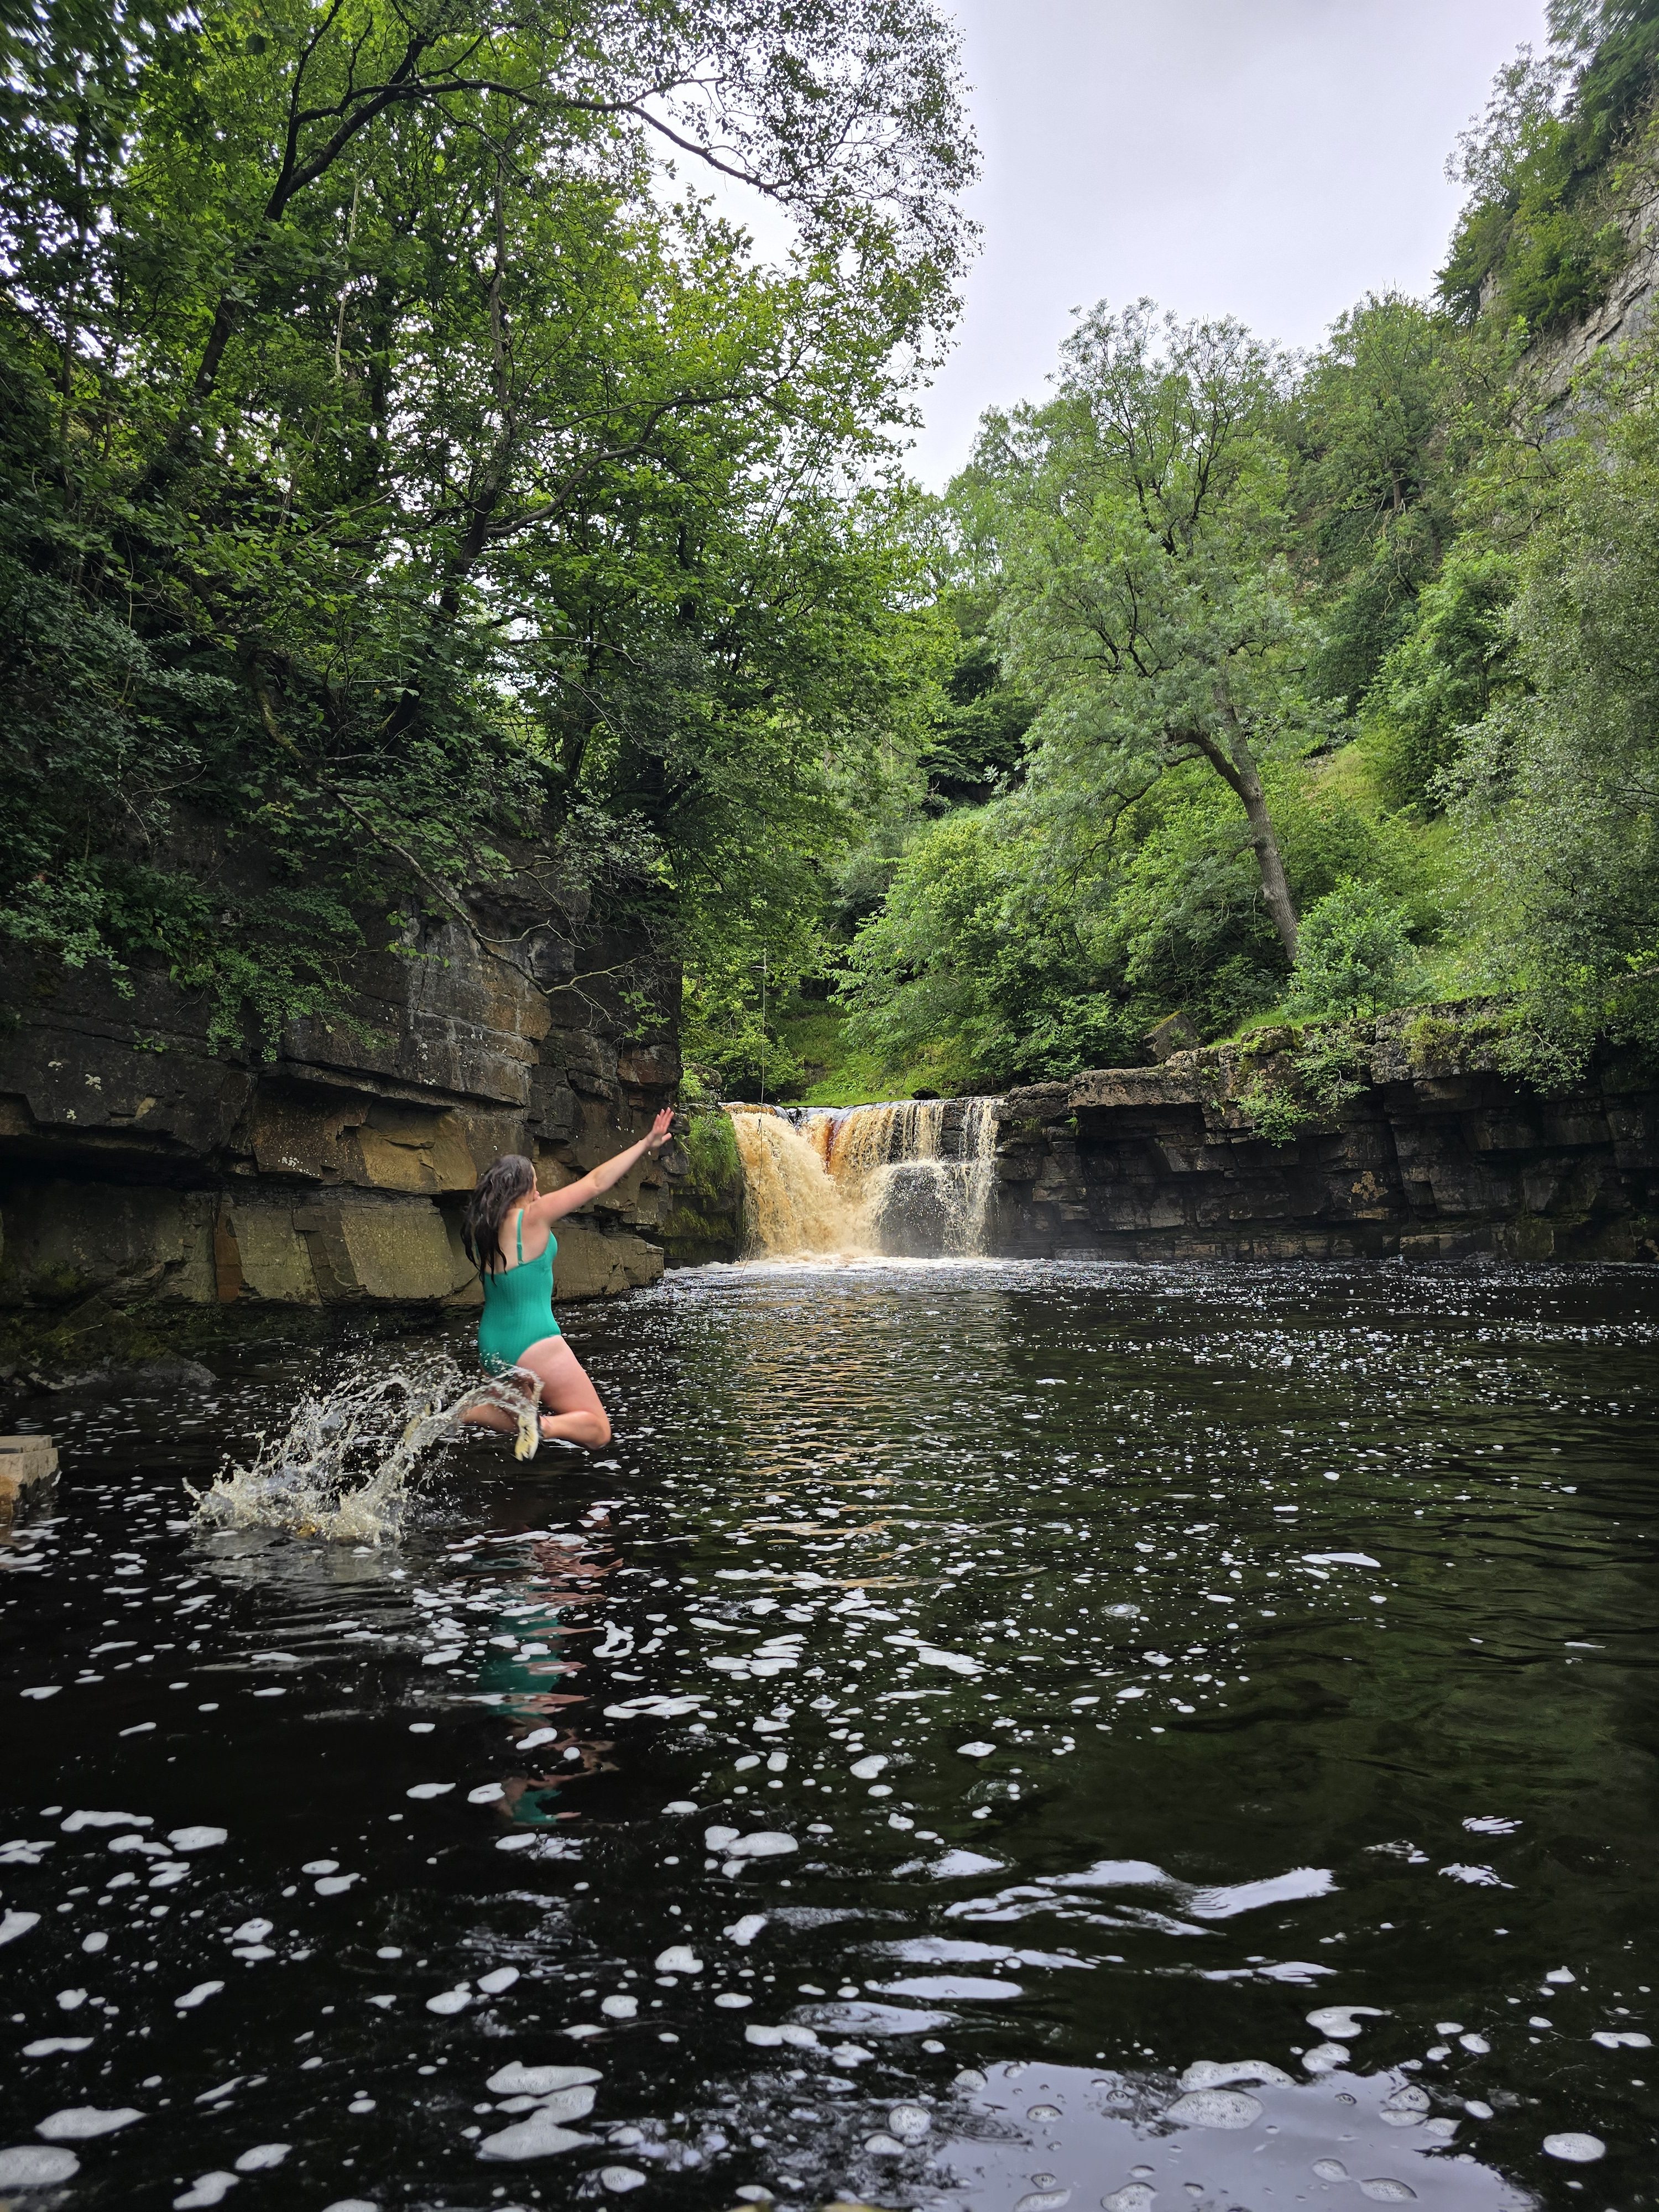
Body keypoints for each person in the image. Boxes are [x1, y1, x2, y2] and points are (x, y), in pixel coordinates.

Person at [458, 1110, 674, 1451]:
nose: (539, 1192)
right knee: (598, 1430)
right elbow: (596, 1183)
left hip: (491, 1345)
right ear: (521, 1188)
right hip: (534, 1340)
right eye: (534, 1184)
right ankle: (541, 1426)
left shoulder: (481, 1232)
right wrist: (645, 1143)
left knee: (513, 1417)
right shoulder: (530, 1219)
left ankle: (459, 1413)